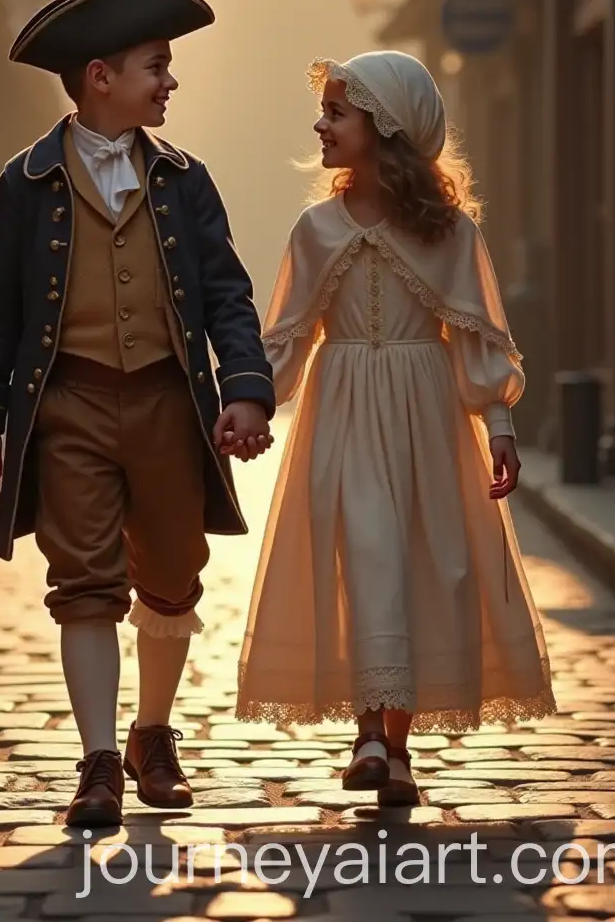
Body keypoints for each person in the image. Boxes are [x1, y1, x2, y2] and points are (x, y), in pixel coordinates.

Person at [0, 0, 276, 827]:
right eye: (156, 67)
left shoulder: (184, 180)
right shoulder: (23, 184)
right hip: (67, 407)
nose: (170, 83)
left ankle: (152, 734)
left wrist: (244, 389)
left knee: (172, 577)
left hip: (171, 404)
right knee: (84, 584)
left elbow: (228, 294)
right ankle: (97, 760)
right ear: (101, 76)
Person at [233, 50, 555, 806]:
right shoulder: (315, 229)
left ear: (385, 128)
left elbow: (477, 336)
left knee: (419, 563)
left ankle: (395, 745)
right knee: (365, 554)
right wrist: (248, 401)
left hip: (425, 416)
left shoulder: (449, 232)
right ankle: (368, 732)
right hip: (342, 411)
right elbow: (285, 334)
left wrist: (498, 421)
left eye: (337, 113)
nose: (321, 124)